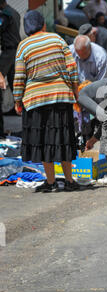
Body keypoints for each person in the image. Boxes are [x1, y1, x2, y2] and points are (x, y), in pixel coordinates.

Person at [13, 10, 80, 193]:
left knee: (44, 141)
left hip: (35, 100)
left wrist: (17, 100)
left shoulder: (23, 46)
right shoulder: (57, 39)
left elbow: (19, 77)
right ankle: (69, 180)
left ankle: (50, 182)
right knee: (64, 139)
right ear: (43, 24)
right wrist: (75, 92)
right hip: (61, 96)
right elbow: (72, 67)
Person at [0, 0, 21, 92]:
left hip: (8, 52)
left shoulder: (5, 15)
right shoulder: (15, 12)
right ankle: (19, 106)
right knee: (14, 81)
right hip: (17, 51)